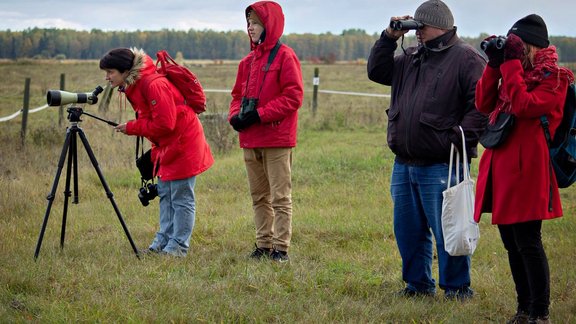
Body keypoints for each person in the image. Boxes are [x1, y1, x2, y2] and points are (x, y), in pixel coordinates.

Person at [367, 0, 487, 299]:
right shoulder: (411, 57)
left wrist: (456, 138)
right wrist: (389, 37)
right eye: (415, 26)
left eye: (422, 26)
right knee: (408, 231)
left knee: (450, 228)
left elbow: (482, 107)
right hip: (404, 161)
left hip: (443, 163)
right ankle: (417, 286)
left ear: (442, 26)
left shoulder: (467, 59)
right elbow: (377, 71)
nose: (417, 32)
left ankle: (457, 289)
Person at [474, 14, 574, 324]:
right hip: (502, 168)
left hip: (529, 172)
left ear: (531, 47)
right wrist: (493, 64)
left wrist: (511, 65)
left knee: (528, 242)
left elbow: (523, 106)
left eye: (519, 47)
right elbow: (483, 103)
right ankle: (523, 309)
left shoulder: (555, 78)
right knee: (510, 243)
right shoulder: (513, 71)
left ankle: (539, 313)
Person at [99, 47, 214, 257]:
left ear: (125, 71)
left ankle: (178, 247)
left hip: (183, 143)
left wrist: (132, 127)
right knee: (166, 195)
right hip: (166, 146)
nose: (107, 77)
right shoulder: (136, 84)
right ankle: (162, 242)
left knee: (181, 197)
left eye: (110, 72)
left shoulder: (153, 84)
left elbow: (165, 124)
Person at [228, 1, 304, 263]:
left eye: (255, 23)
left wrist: (259, 114)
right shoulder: (246, 62)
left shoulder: (286, 56)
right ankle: (263, 245)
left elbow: (293, 97)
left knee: (280, 197)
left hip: (276, 139)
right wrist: (235, 116)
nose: (250, 28)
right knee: (258, 196)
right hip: (250, 139)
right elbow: (237, 95)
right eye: (248, 23)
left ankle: (280, 249)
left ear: (268, 26)